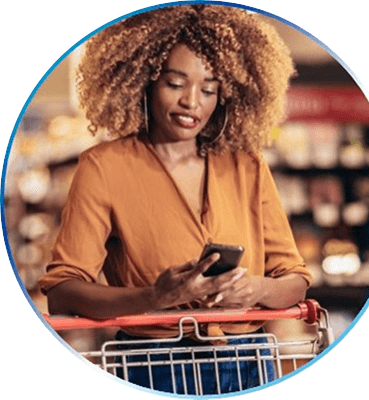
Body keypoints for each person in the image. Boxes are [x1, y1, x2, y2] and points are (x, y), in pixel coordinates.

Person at [39, 4, 313, 394]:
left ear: (226, 93)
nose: (192, 102)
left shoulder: (246, 164)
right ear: (144, 80)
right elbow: (63, 293)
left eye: (209, 88)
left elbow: (295, 282)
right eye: (175, 83)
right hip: (153, 364)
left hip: (249, 362)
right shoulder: (104, 167)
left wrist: (256, 290)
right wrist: (156, 296)